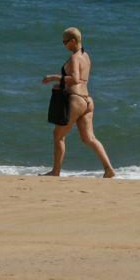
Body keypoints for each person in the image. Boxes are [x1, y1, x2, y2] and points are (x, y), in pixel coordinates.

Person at [40, 27, 116, 178]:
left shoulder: (75, 58)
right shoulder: (86, 56)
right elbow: (81, 80)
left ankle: (56, 172)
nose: (64, 45)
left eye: (65, 42)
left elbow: (75, 79)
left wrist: (53, 77)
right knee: (89, 138)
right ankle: (109, 169)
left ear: (73, 41)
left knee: (58, 135)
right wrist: (62, 85)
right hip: (87, 100)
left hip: (76, 100)